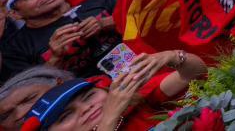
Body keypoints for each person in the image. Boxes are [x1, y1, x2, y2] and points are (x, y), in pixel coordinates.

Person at [20, 51, 208, 130]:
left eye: (89, 96)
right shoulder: (114, 114)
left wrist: (172, 56)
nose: (86, 108)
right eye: (65, 116)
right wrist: (108, 120)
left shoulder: (133, 104)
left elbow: (195, 74)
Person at [0, 0, 117, 79]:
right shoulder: (15, 48)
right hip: (89, 91)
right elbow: (29, 89)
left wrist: (106, 23)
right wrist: (55, 58)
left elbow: (129, 17)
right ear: (15, 14)